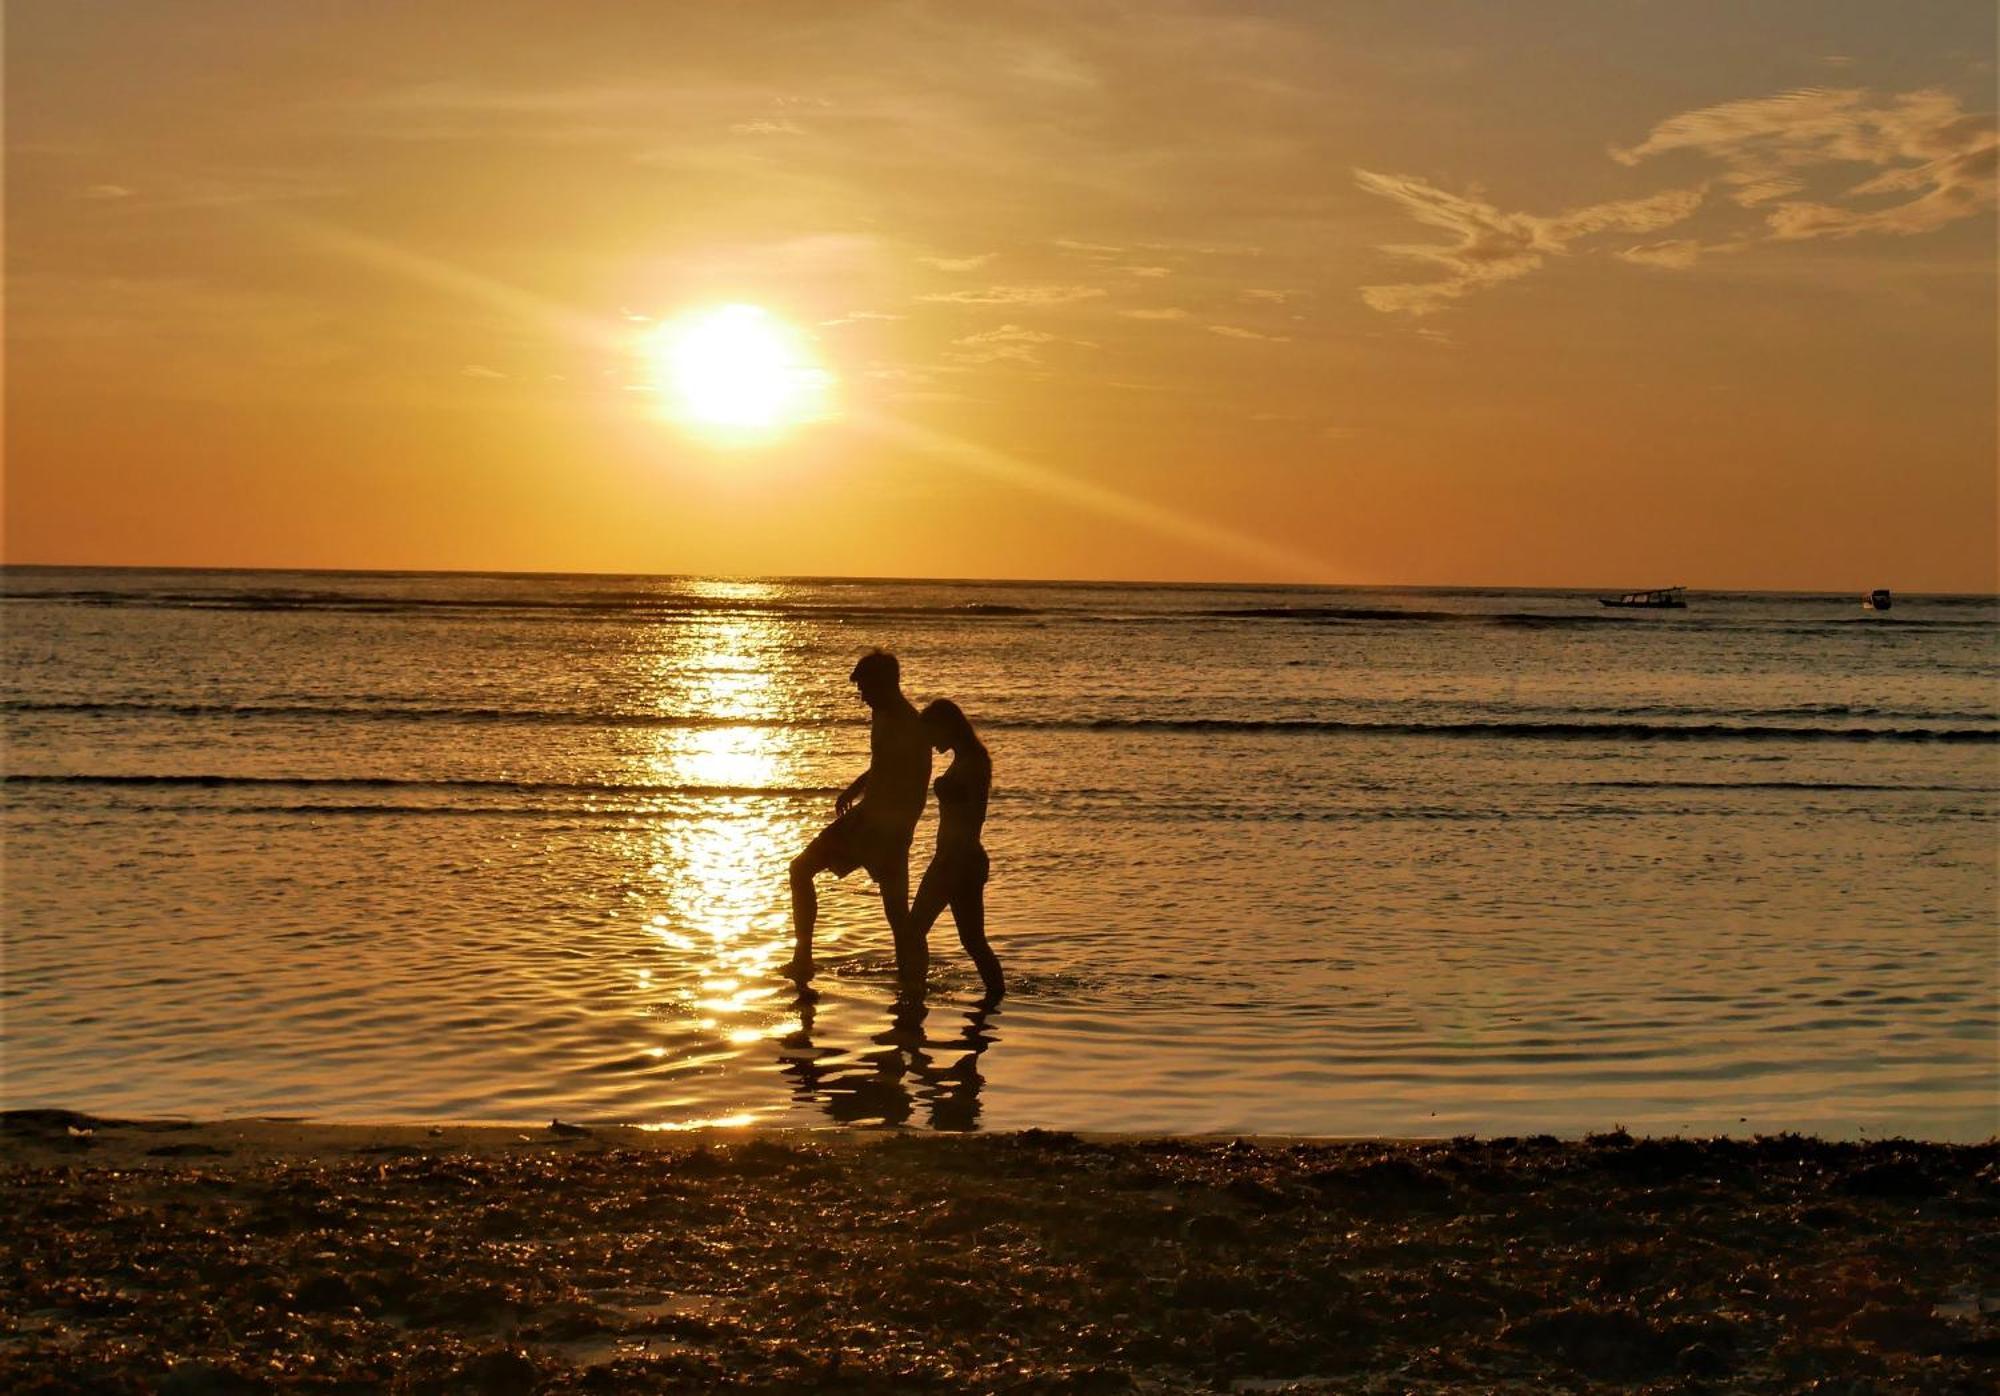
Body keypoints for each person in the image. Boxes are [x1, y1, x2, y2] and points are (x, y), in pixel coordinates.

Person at [788, 650, 931, 989]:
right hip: (870, 821)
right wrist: (853, 788)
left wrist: (897, 834)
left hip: (883, 829)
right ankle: (804, 958)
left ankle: (911, 977)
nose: (862, 697)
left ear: (884, 684)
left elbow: (915, 785)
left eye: (865, 688)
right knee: (802, 870)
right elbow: (882, 764)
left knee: (895, 913)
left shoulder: (910, 725)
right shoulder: (882, 714)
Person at [907, 698, 1004, 1000]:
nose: (931, 743)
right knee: (973, 941)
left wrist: (941, 787)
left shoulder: (973, 762)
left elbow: (968, 805)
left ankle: (913, 991)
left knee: (913, 931)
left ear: (947, 727)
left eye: (933, 734)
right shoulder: (966, 758)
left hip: (955, 861)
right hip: (961, 859)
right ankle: (995, 996)